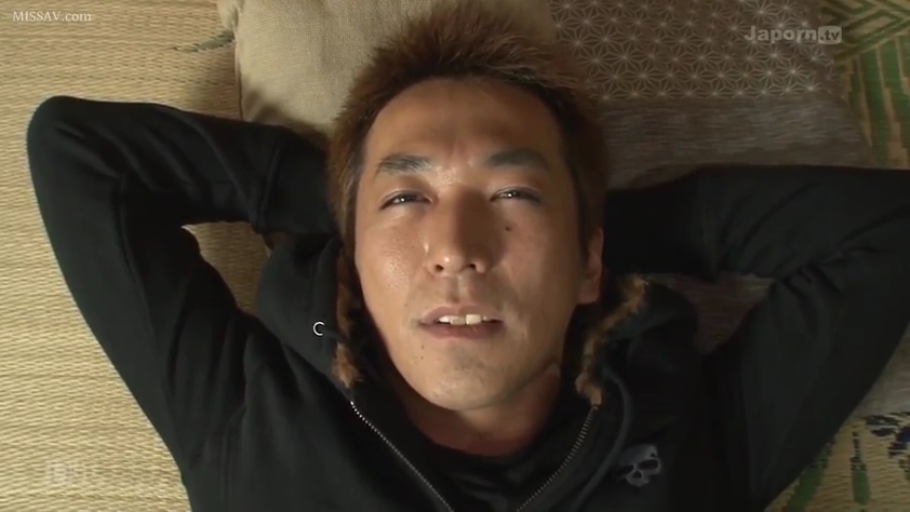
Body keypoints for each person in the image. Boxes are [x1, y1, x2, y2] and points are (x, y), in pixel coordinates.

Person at [25, 1, 910, 511]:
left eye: (512, 195)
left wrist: (577, 231)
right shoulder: (245, 415)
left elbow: (888, 229)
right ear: (351, 254)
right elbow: (78, 153)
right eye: (408, 199)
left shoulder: (693, 437)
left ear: (591, 263)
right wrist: (358, 206)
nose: (455, 248)